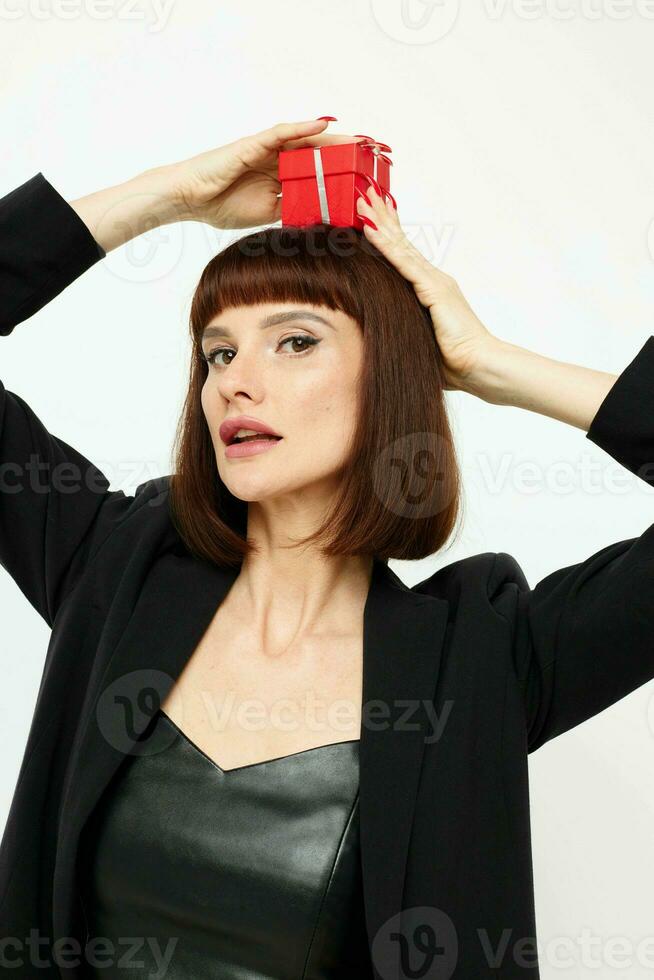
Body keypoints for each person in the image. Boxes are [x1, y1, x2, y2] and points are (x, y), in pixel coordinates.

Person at [1, 117, 653, 980]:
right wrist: (171, 198)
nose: (235, 378)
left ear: (389, 377)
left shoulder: (484, 657)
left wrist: (491, 363)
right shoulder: (111, 568)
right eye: (218, 351)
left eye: (296, 341)